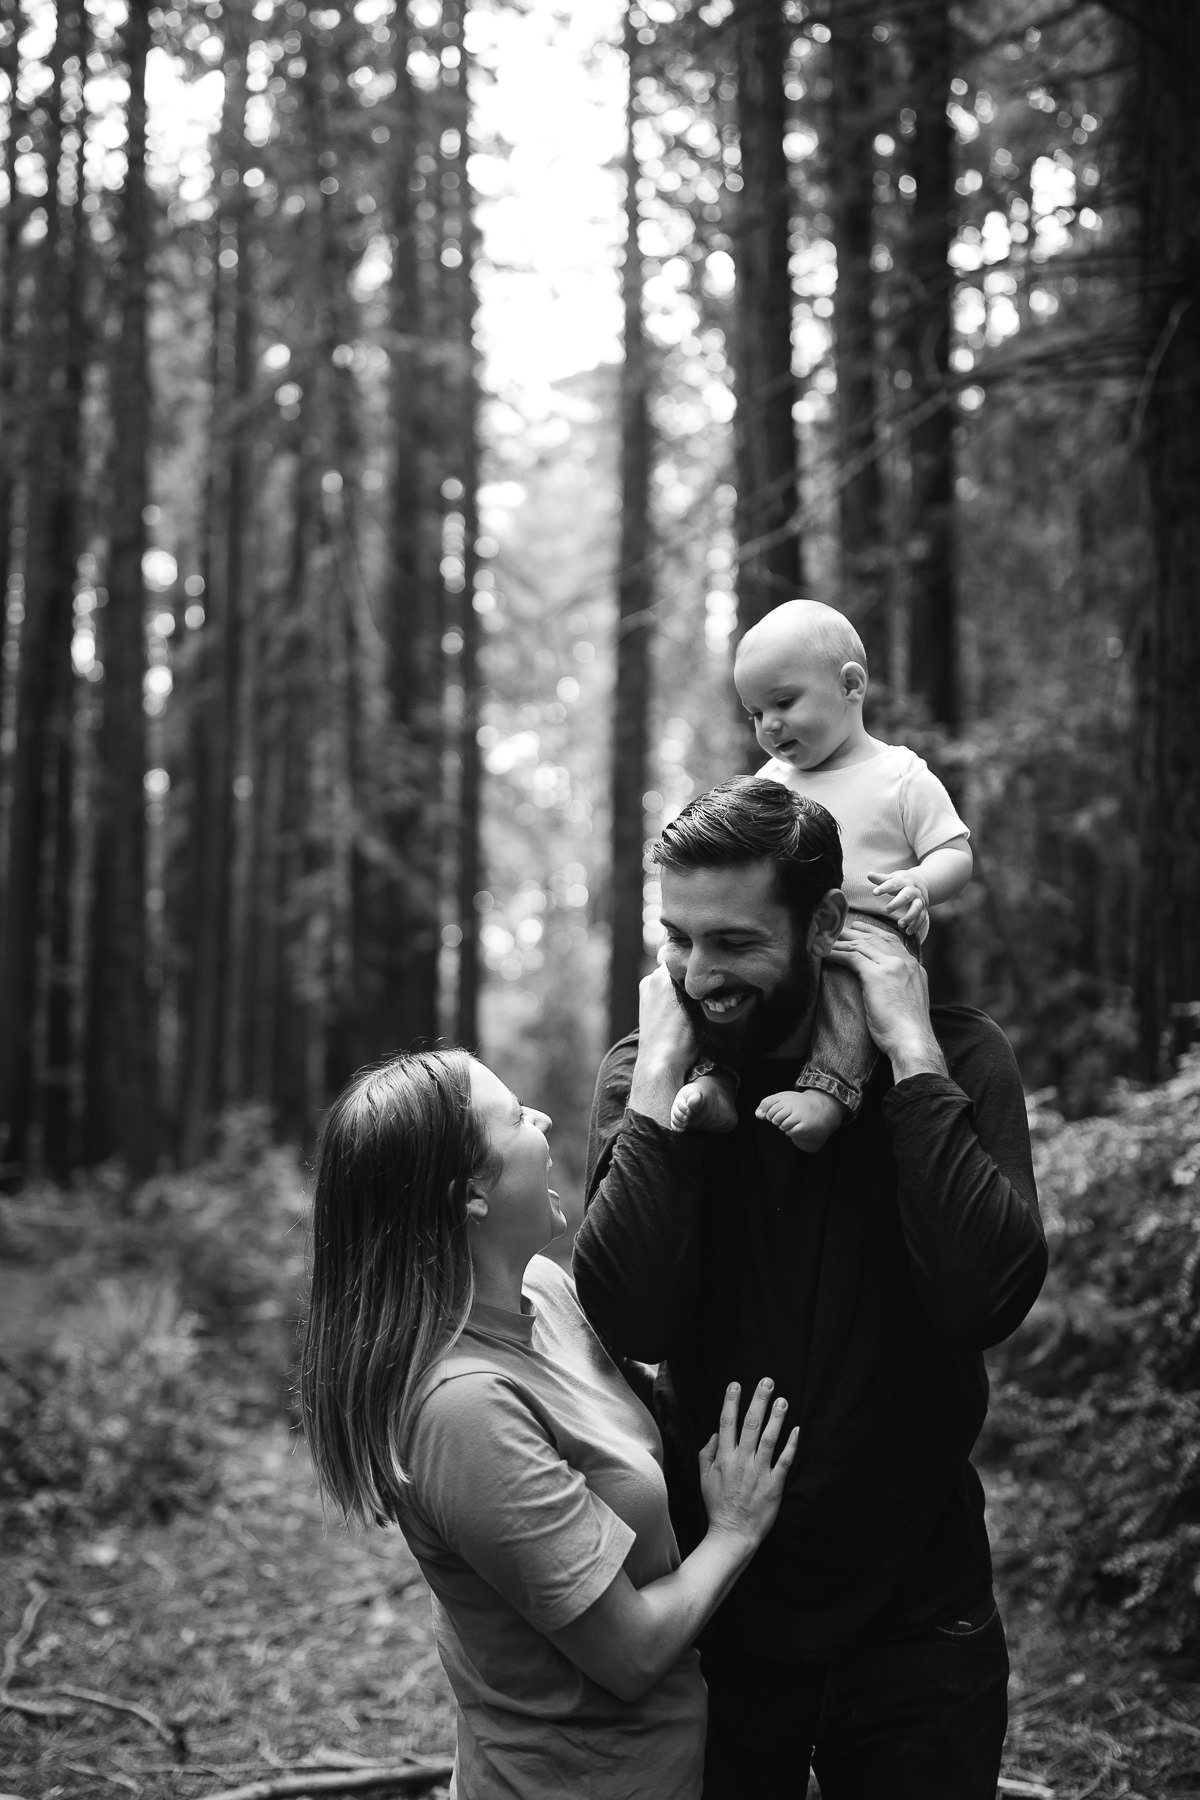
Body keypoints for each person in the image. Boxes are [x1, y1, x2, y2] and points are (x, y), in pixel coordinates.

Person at [574, 776, 1047, 1800]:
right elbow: (630, 1313)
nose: (700, 977)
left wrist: (912, 1053)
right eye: (678, 939)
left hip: (921, 1612)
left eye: (736, 943)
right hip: (720, 1605)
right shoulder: (653, 1080)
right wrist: (656, 1088)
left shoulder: (958, 1057)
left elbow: (985, 1298)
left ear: (827, 921)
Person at [298, 1047, 799, 1800]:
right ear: (470, 1193)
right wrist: (735, 1528)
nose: (543, 1119)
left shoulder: (543, 1290)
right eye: (515, 1117)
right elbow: (629, 1653)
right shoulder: (462, 1409)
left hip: (672, 1762)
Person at [672, 598, 973, 1152]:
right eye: (756, 713)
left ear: (851, 685)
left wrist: (921, 884)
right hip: (790, 927)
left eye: (783, 702)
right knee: (721, 976)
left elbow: (955, 853)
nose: (770, 725)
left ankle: (829, 1092)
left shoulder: (900, 774)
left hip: (869, 926)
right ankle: (717, 1076)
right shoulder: (772, 778)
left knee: (850, 989)